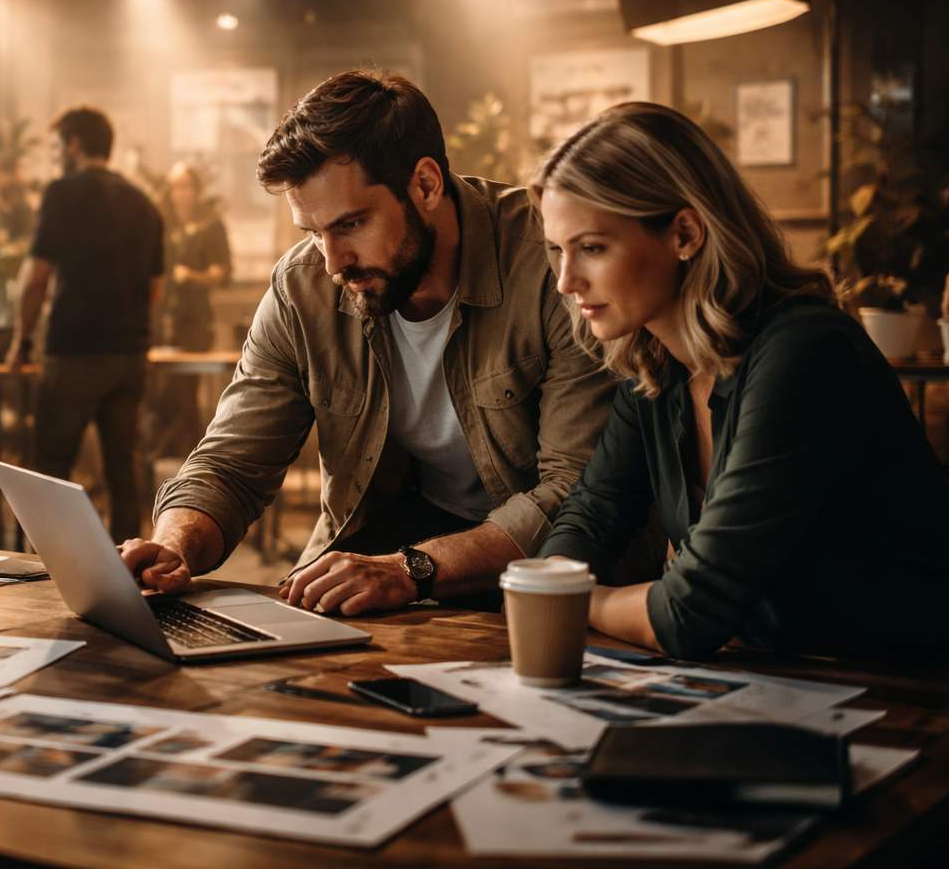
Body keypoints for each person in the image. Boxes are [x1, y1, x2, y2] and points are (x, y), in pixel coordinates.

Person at [123, 71, 617, 614]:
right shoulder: (302, 286)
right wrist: (173, 546)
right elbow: (232, 461)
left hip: (551, 571)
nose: (333, 262)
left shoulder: (554, 261)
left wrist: (411, 568)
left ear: (426, 185)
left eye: (351, 224)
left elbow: (576, 492)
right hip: (393, 541)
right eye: (312, 232)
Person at [532, 102, 949, 663]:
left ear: (685, 232)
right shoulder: (653, 362)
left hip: (904, 688)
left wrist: (571, 599)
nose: (565, 282)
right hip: (780, 679)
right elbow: (594, 514)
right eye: (558, 250)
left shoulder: (805, 352)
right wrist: (571, 583)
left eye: (592, 248)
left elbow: (688, 613)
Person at [6, 107, 164, 542]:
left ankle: (55, 568)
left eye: (57, 147)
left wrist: (21, 341)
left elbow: (35, 277)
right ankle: (129, 567)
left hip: (74, 353)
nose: (55, 158)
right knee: (122, 469)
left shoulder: (62, 193)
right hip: (131, 357)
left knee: (52, 467)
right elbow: (155, 289)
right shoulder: (145, 203)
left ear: (75, 144)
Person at [159, 161, 231, 352]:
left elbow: (221, 270)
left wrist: (191, 276)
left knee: (185, 379)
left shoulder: (210, 226)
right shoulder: (161, 224)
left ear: (197, 189)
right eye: (175, 186)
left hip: (195, 317)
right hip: (161, 314)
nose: (180, 193)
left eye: (185, 186)